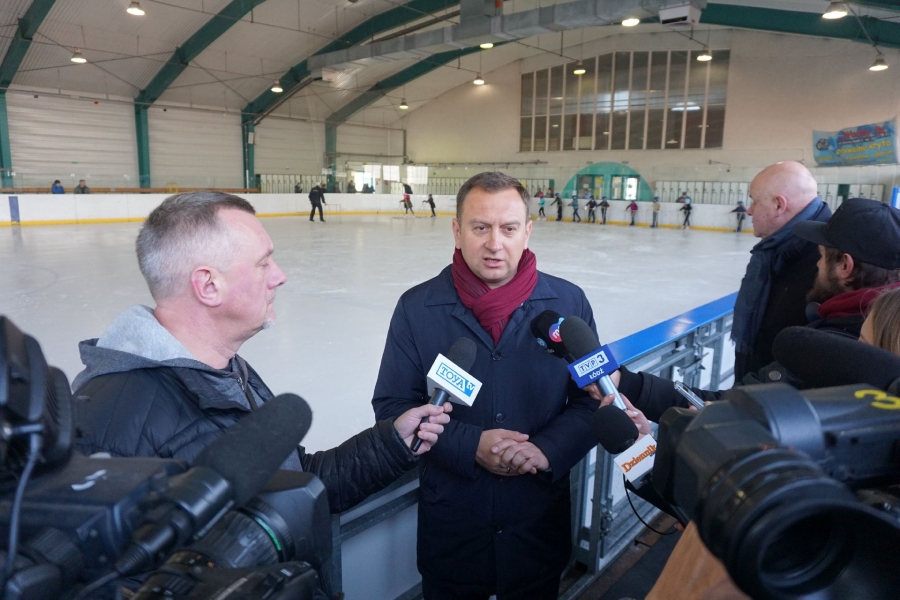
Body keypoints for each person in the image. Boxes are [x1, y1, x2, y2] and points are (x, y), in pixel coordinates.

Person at [73, 191, 452, 517]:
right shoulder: (113, 424)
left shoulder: (222, 370)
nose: (279, 276)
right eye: (263, 263)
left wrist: (390, 443)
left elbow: (291, 481)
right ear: (208, 285)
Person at [372, 172, 599, 599]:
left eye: (508, 229)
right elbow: (393, 405)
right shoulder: (417, 308)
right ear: (457, 231)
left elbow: (592, 402)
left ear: (527, 232)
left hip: (537, 528)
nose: (495, 243)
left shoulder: (568, 305)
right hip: (454, 532)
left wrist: (545, 450)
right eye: (480, 227)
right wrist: (469, 445)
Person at [732, 161, 831, 380]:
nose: (749, 210)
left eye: (754, 201)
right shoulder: (778, 248)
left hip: (774, 392)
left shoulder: (825, 263)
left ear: (779, 205)